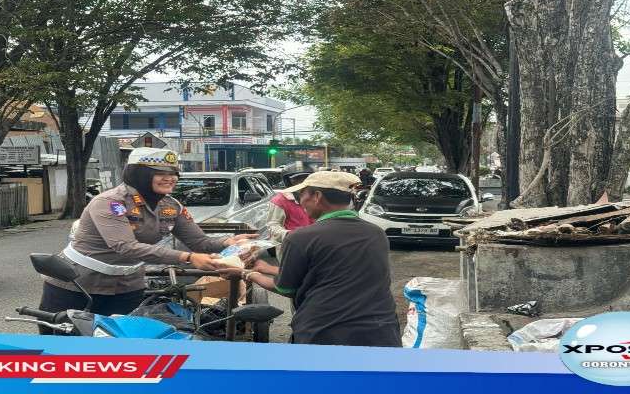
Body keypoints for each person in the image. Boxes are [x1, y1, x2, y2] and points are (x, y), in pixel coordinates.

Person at [37, 147, 255, 330]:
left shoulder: (171, 206)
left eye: (173, 172)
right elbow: (125, 246)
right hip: (76, 284)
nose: (170, 177)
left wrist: (228, 242)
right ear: (139, 174)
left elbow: (200, 242)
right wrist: (187, 257)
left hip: (127, 287)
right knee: (63, 348)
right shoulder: (111, 202)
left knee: (123, 348)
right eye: (159, 172)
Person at [219, 171, 401, 347]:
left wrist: (247, 274)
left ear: (317, 196)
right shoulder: (376, 233)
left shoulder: (300, 237)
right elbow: (330, 273)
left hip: (325, 334)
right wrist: (265, 268)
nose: (301, 202)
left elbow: (285, 288)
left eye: (301, 195)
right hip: (380, 332)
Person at [265, 171, 314, 247]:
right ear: (290, 182)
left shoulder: (313, 197)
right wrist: (289, 234)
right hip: (291, 245)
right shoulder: (280, 200)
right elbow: (273, 225)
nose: (302, 183)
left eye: (305, 179)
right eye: (298, 180)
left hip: (312, 242)